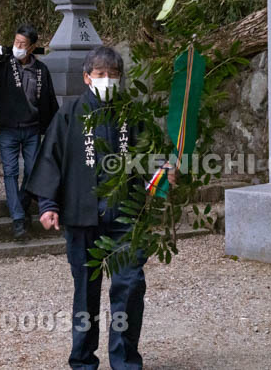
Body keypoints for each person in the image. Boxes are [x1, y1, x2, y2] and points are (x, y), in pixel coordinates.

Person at [27, 45, 176, 370]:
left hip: (126, 215)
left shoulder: (132, 113)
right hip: (81, 216)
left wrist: (163, 171)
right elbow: (52, 158)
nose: (107, 79)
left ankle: (125, 361)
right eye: (100, 74)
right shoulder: (70, 113)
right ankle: (83, 361)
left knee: (130, 285)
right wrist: (48, 204)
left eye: (113, 74)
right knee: (85, 291)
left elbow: (151, 155)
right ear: (87, 77)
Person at [0, 23, 58, 238]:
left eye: (23, 44)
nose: (18, 47)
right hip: (8, 128)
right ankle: (18, 218)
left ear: (32, 47)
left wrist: (53, 129)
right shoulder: (3, 64)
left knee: (32, 170)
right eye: (16, 42)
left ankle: (19, 203)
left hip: (32, 128)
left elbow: (49, 100)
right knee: (10, 171)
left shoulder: (41, 70)